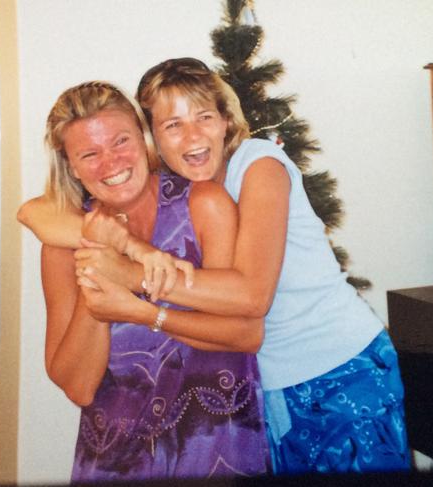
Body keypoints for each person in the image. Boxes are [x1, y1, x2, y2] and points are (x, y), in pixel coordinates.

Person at [19, 59, 410, 474]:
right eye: (172, 125)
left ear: (226, 119)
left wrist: (131, 277)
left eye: (204, 116)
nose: (192, 135)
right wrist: (109, 250)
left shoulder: (255, 169)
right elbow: (30, 212)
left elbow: (250, 299)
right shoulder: (167, 193)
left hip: (337, 367)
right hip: (266, 393)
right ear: (155, 137)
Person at [30, 81, 271, 482]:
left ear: (144, 138)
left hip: (216, 450)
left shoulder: (202, 203)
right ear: (70, 166)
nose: (110, 164)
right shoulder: (61, 244)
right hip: (115, 462)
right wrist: (98, 278)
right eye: (89, 154)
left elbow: (245, 334)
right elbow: (79, 388)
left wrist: (143, 311)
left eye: (120, 141)